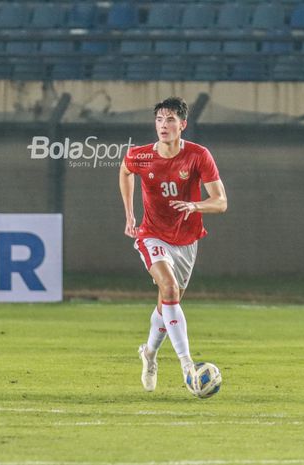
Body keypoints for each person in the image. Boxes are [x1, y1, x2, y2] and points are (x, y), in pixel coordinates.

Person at [119, 97, 228, 392]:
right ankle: (187, 366)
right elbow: (126, 171)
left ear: (182, 124)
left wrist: (196, 206)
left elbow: (220, 202)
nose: (163, 126)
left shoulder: (198, 156)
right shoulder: (140, 156)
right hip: (151, 233)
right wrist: (130, 215)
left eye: (169, 120)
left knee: (168, 303)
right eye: (159, 120)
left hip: (187, 240)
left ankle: (150, 353)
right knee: (168, 287)